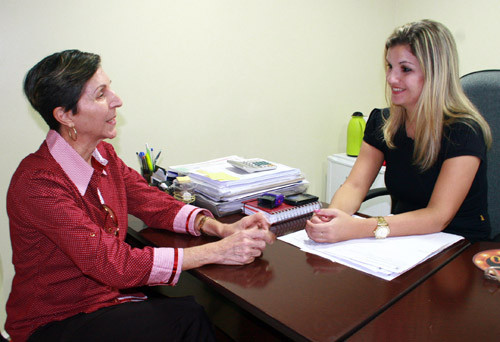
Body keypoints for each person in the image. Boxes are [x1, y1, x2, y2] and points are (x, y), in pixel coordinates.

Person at [5, 50, 275, 342]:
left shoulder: (102, 156)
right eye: (100, 94)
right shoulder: (39, 184)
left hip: (105, 303)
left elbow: (150, 200)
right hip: (56, 322)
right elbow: (113, 264)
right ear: (65, 115)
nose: (116, 100)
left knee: (190, 312)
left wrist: (217, 228)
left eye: (110, 88)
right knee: (187, 317)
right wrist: (218, 251)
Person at [307, 19, 492, 244]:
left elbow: (438, 217)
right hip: (402, 241)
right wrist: (332, 218)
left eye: (405, 69)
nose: (391, 78)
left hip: (458, 247)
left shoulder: (464, 132)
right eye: (389, 66)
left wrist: (359, 227)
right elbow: (354, 186)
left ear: (435, 74)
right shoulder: (383, 122)